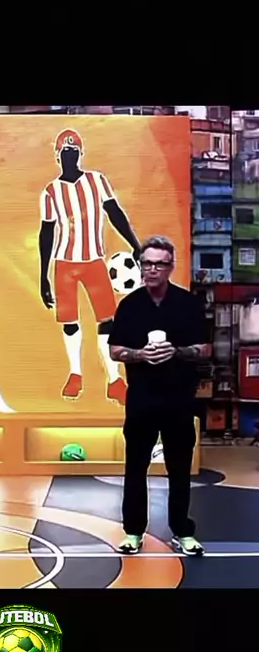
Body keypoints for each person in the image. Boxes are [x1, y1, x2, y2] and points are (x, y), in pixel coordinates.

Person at [108, 235, 211, 556]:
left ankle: (182, 531)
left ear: (170, 267)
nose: (151, 270)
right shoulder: (129, 306)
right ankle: (133, 531)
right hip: (142, 399)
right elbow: (115, 350)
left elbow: (205, 348)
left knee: (179, 469)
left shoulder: (188, 304)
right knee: (135, 467)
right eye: (147, 264)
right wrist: (140, 355)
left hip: (179, 399)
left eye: (159, 264)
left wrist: (176, 352)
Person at [39, 128, 141, 405]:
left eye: (73, 151)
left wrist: (135, 244)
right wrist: (43, 276)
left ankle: (114, 380)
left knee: (107, 321)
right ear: (57, 156)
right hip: (65, 263)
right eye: (65, 152)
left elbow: (114, 212)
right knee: (70, 322)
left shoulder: (96, 181)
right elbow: (46, 232)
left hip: (94, 260)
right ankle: (75, 374)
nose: (69, 156)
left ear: (80, 154)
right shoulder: (51, 191)